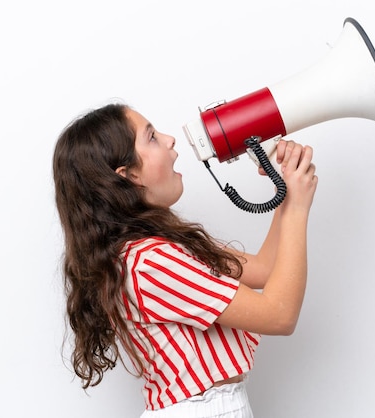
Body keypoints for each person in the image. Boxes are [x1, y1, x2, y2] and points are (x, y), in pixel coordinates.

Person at [52, 102, 318, 417]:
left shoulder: (155, 248)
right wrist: (298, 208)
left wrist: (286, 191)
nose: (169, 139)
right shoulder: (151, 263)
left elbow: (264, 269)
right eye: (151, 137)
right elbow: (279, 315)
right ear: (129, 175)